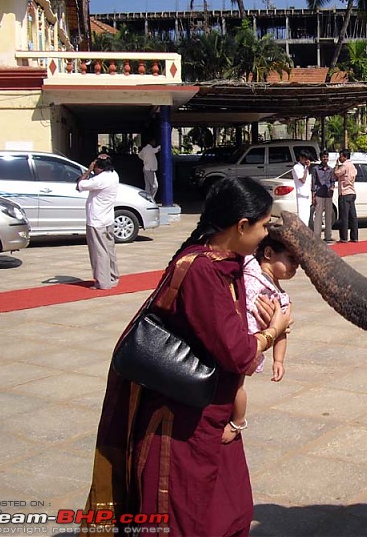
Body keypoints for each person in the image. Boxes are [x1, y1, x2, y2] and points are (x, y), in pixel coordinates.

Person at [83, 176, 291, 535]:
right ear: (241, 226)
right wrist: (273, 330)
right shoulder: (201, 270)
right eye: (262, 226)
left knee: (230, 509)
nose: (263, 236)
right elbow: (238, 354)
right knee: (185, 516)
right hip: (182, 419)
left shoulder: (227, 263)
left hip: (213, 413)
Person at [225, 235, 297, 444]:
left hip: (251, 346)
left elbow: (281, 331)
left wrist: (278, 360)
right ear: (268, 253)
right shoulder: (252, 269)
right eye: (290, 259)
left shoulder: (282, 298)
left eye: (297, 264)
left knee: (236, 386)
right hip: (232, 335)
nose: (295, 267)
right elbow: (244, 246)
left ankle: (237, 422)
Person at [76, 155, 120, 290]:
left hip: (96, 221)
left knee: (99, 252)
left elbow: (79, 185)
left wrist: (88, 171)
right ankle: (113, 277)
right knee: (109, 250)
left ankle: (102, 282)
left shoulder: (99, 179)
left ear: (98, 168)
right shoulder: (114, 175)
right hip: (108, 219)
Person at [311, 151, 336, 242]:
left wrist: (332, 187)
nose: (325, 159)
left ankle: (328, 236)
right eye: (323, 157)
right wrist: (313, 196)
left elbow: (333, 181)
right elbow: (313, 182)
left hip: (328, 194)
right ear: (320, 158)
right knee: (318, 216)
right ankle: (317, 236)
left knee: (328, 215)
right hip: (319, 194)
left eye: (326, 157)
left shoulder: (331, 169)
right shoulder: (316, 169)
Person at [334, 148, 358, 243]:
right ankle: (354, 237)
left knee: (344, 216)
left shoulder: (344, 166)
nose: (339, 158)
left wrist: (336, 165)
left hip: (344, 193)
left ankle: (344, 237)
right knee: (353, 216)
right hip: (352, 192)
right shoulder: (352, 166)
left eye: (341, 156)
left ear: (345, 156)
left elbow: (337, 173)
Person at [292, 151, 313, 225]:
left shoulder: (304, 168)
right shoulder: (296, 167)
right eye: (304, 158)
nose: (306, 160)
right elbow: (303, 180)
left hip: (307, 196)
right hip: (301, 196)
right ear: (301, 158)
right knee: (302, 218)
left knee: (306, 218)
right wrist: (307, 168)